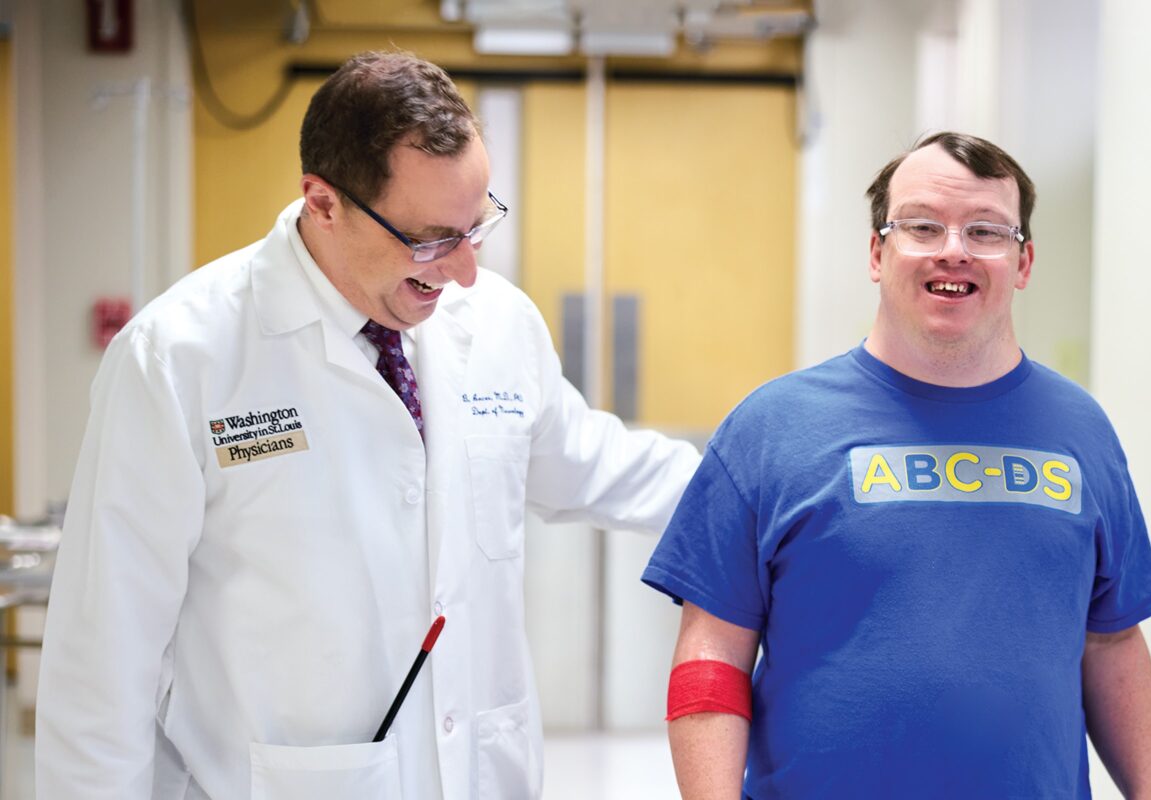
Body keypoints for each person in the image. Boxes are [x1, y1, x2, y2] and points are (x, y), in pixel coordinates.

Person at [36, 51, 699, 799]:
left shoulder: (499, 325)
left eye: (474, 227)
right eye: (429, 240)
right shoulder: (179, 359)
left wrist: (768, 488)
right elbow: (102, 662)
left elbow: (593, 464)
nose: (464, 273)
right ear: (323, 202)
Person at [642, 132, 1151, 799]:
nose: (954, 249)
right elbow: (712, 652)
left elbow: (1113, 644)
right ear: (876, 251)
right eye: (923, 226)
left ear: (1023, 261)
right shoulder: (771, 428)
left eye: (985, 230)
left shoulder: (1081, 430)